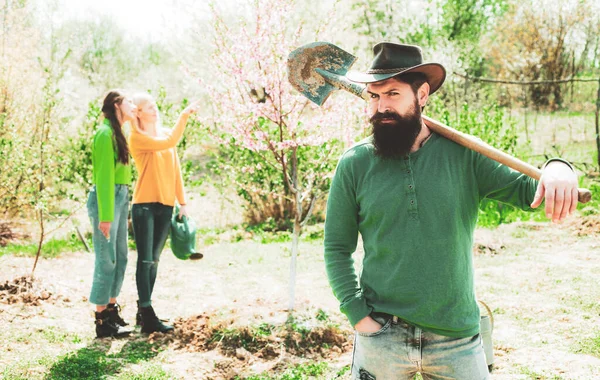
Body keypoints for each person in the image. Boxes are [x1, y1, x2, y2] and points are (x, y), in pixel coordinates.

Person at [323, 42, 579, 379]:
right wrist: (359, 316)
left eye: (393, 94)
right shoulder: (354, 164)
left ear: (423, 94)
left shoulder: (464, 157)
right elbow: (336, 248)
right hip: (382, 334)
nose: (380, 107)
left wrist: (559, 168)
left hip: (455, 336)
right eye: (374, 95)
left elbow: (528, 191)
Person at [129, 93, 200, 334]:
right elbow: (169, 143)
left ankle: (143, 311)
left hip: (165, 205)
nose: (154, 109)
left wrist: (183, 202)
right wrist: (184, 116)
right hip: (144, 205)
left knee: (155, 260)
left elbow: (176, 169)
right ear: (137, 112)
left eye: (155, 105)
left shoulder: (166, 134)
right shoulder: (137, 138)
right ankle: (147, 312)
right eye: (149, 107)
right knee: (145, 259)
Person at [88, 90, 136, 338]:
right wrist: (106, 216)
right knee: (106, 260)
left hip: (119, 197)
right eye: (129, 101)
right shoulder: (104, 133)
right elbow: (103, 177)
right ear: (117, 104)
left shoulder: (118, 133)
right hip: (106, 201)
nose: (134, 105)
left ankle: (111, 310)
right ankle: (101, 321)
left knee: (121, 257)